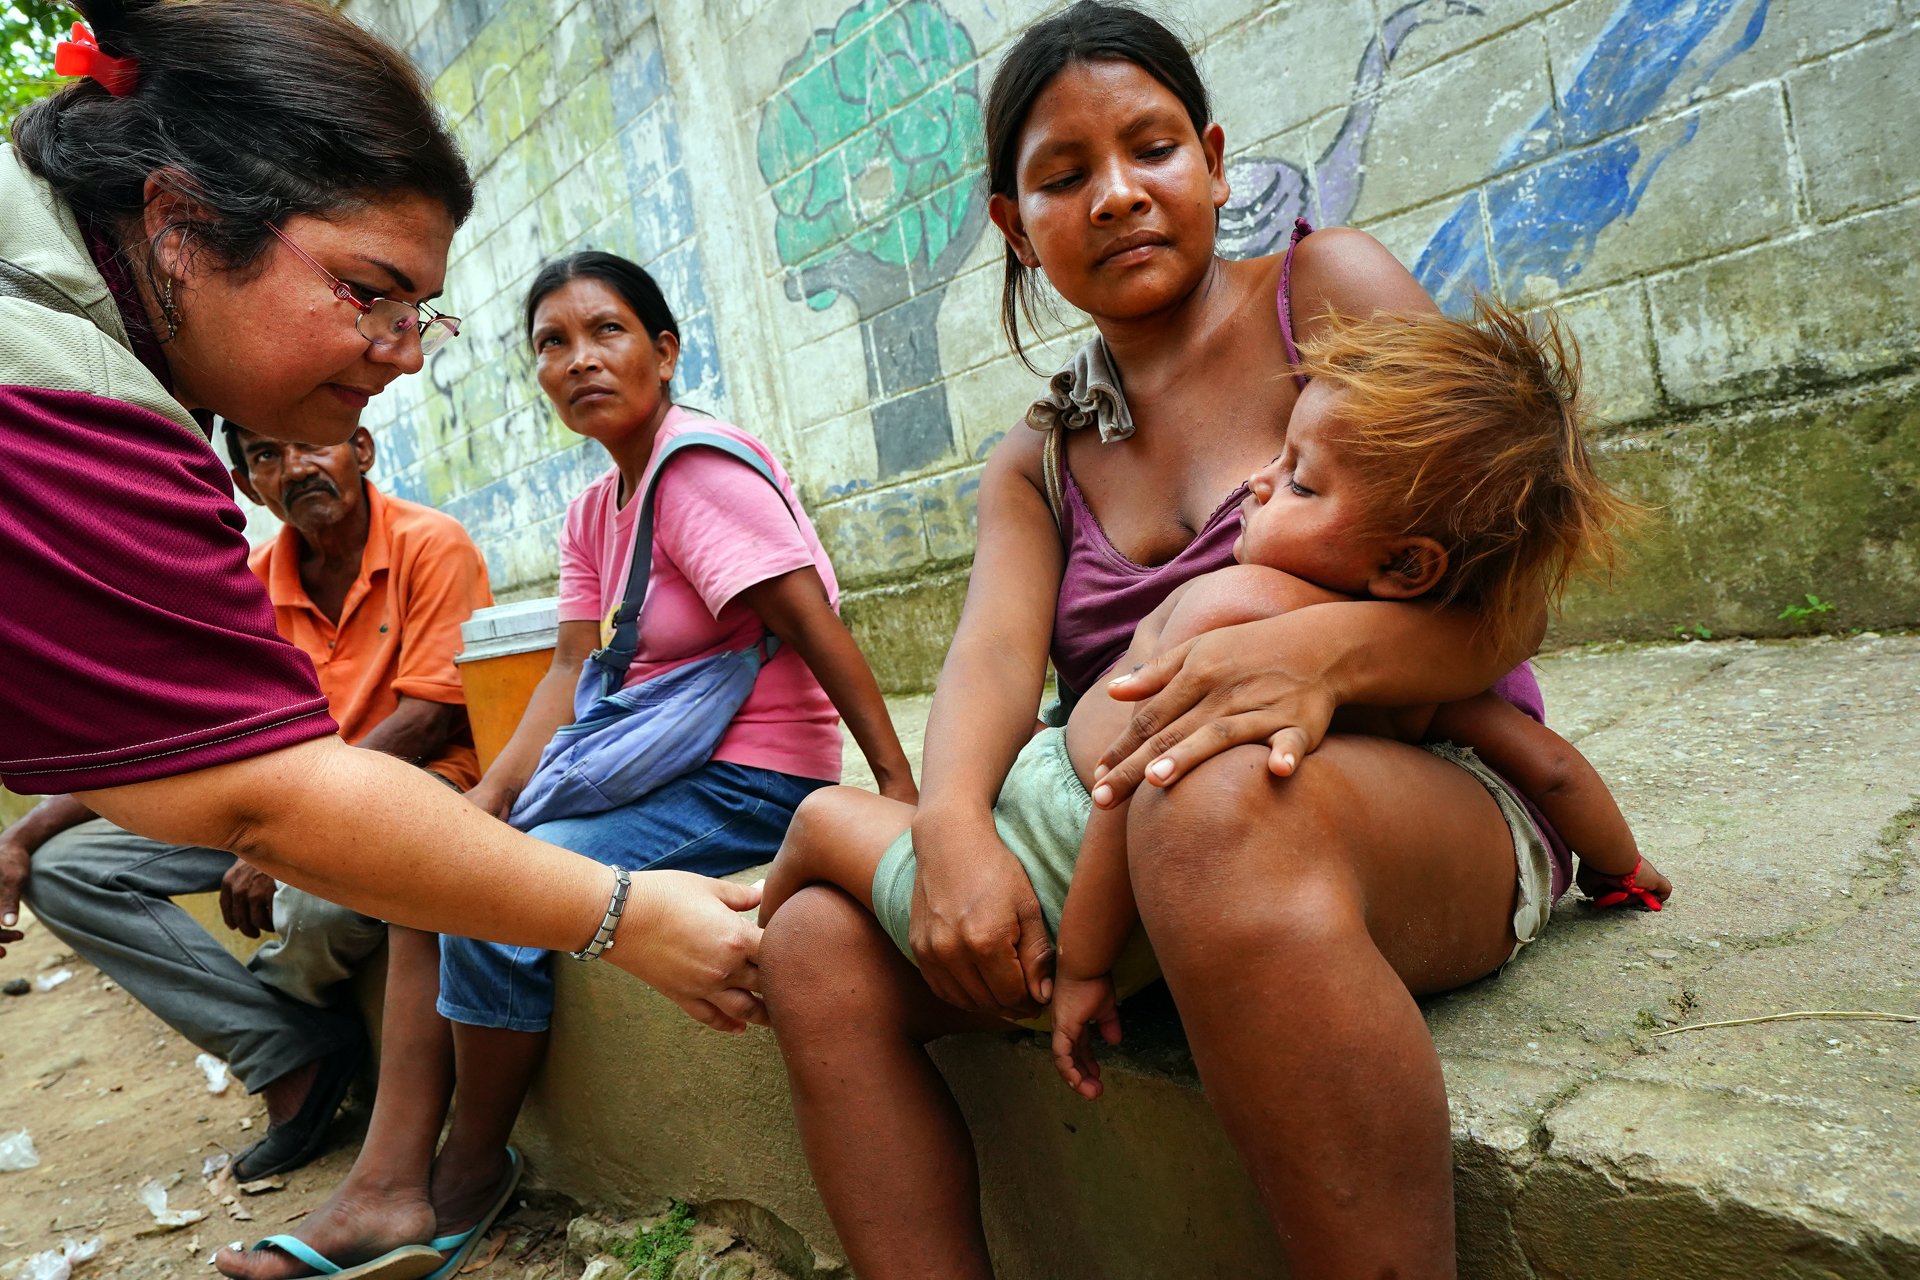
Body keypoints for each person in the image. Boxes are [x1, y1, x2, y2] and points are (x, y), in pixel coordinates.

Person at [754, 6, 1593, 1277]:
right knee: (817, 943)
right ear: (1009, 223)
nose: (1117, 196)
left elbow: (1507, 596)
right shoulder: (1035, 458)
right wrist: (955, 830)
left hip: (1417, 802)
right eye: (1063, 175)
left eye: (1150, 149)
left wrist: (1324, 659)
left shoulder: (1334, 298)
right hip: (1138, 865)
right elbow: (989, 660)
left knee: (1205, 797)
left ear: (1209, 156)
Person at [0, 0, 763, 1183]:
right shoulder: (57, 404)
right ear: (181, 223)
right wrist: (629, 913)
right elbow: (266, 793)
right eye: (371, 292)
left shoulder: (664, 484)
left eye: (420, 311)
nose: (407, 352)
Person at [758, 301, 1677, 1102]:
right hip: (1068, 863)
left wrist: (1080, 968)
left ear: (1406, 563)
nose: (1261, 481)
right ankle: (772, 907)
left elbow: (1130, 783)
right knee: (842, 887)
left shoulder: (1228, 613)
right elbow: (1543, 761)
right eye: (1280, 455)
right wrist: (1616, 866)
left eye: (1301, 481)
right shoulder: (1379, 670)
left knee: (826, 821)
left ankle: (766, 894)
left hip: (1047, 872)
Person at [215, 252, 917, 1280]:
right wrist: (486, 802)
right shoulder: (599, 506)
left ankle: (464, 1170)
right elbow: (569, 671)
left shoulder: (697, 468)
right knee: (446, 855)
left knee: (501, 893)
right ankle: (385, 1179)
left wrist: (898, 788)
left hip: (750, 781)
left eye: (608, 331)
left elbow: (809, 619)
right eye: (554, 342)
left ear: (665, 350)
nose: (580, 358)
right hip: (656, 778)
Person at [1, 417, 492, 1181]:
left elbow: (430, 718)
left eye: (313, 443)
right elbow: (169, 739)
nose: (296, 466)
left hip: (406, 788)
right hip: (279, 802)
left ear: (360, 450)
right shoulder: (253, 581)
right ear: (245, 484)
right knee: (67, 872)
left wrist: (286, 837)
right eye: (267, 455)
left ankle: (283, 1022)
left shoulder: (433, 544)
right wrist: (23, 837)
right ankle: (290, 1048)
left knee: (322, 905)